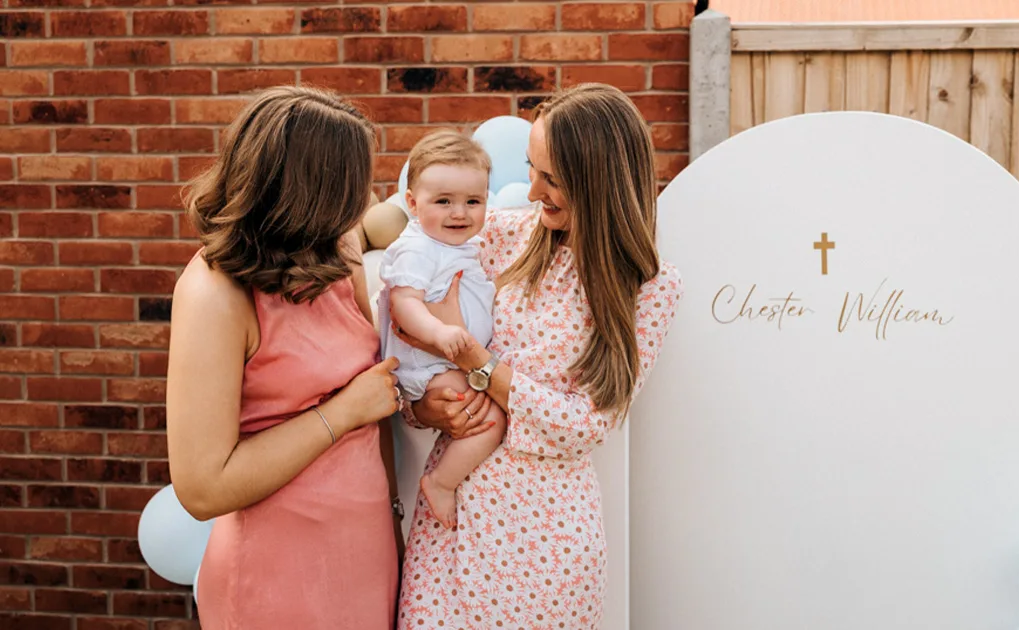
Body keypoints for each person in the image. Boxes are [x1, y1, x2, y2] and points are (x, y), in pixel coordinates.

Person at [394, 83, 684, 628]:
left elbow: (586, 425)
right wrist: (424, 409)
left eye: (550, 178)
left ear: (597, 179)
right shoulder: (498, 237)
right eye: (531, 168)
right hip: (452, 521)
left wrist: (482, 365)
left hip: (547, 543)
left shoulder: (649, 289)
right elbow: (414, 328)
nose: (531, 191)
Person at [165, 85, 403, 630]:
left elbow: (377, 399)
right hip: (275, 573)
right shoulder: (215, 293)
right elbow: (203, 487)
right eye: (353, 184)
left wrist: (395, 522)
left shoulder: (338, 254)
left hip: (365, 552)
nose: (364, 198)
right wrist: (344, 411)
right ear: (311, 191)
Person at [377, 130, 507, 530]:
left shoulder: (457, 244)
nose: (459, 213)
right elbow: (404, 302)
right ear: (413, 203)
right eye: (444, 201)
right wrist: (439, 333)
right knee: (492, 420)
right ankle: (441, 482)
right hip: (429, 363)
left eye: (473, 201)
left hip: (447, 358)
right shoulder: (418, 248)